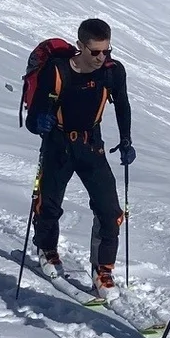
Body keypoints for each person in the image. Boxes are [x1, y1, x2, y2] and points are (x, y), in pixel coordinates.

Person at [25, 19, 132, 291]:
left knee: (110, 212)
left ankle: (103, 270)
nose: (101, 57)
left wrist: (126, 140)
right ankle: (47, 250)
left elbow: (122, 105)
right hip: (58, 144)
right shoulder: (57, 70)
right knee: (48, 205)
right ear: (79, 46)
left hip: (90, 145)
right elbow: (33, 116)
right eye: (95, 51)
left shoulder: (112, 72)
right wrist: (39, 124)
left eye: (106, 51)